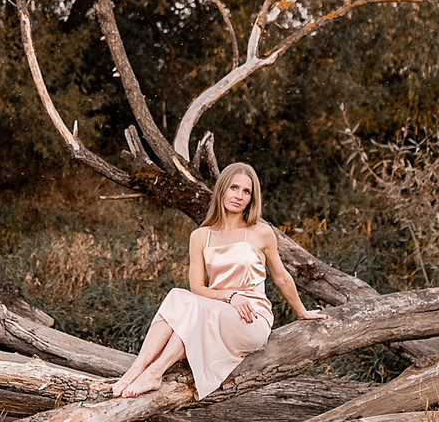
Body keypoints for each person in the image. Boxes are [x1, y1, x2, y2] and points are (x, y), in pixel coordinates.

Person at [110, 162, 310, 398]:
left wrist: (302, 312)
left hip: (251, 318)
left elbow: (281, 277)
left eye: (246, 192)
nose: (239, 196)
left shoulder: (261, 232)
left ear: (252, 198)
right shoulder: (200, 236)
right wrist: (229, 296)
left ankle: (156, 371)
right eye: (234, 188)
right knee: (178, 296)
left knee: (198, 310)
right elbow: (197, 288)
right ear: (222, 189)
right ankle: (136, 368)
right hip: (215, 308)